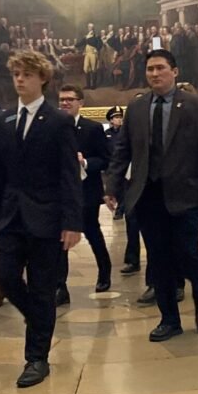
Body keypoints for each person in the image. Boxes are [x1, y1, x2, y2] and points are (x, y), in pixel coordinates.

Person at [104, 49, 198, 342]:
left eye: (160, 68)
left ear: (174, 71)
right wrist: (112, 186)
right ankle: (169, 319)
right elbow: (123, 151)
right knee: (158, 258)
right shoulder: (137, 107)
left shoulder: (194, 106)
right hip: (148, 194)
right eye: (150, 70)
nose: (154, 74)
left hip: (186, 193)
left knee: (188, 252)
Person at [0, 50, 82, 389]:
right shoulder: (3, 119)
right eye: (16, 74)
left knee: (42, 289)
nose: (20, 80)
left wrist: (73, 222)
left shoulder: (58, 121)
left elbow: (69, 175)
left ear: (42, 78)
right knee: (4, 276)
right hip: (10, 216)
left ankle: (36, 358)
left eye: (26, 74)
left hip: (48, 218)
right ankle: (38, 320)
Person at [56, 84, 112, 305]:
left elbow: (105, 159)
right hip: (59, 193)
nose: (65, 103)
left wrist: (85, 162)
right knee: (61, 240)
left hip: (86, 191)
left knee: (93, 233)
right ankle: (60, 286)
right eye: (62, 99)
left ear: (81, 103)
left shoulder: (92, 128)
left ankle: (104, 271)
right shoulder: (52, 127)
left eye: (70, 99)